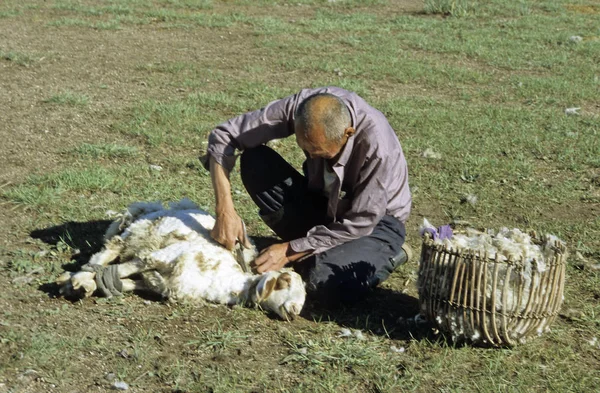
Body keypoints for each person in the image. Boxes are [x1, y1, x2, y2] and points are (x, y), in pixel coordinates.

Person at [200, 86, 412, 303]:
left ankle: (389, 254)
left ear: (348, 134)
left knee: (322, 281)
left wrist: (289, 250)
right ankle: (313, 250)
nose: (310, 156)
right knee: (255, 162)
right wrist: (225, 209)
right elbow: (225, 135)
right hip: (325, 205)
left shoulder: (377, 148)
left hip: (374, 226)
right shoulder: (303, 106)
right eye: (306, 149)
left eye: (318, 153)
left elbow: (360, 222)